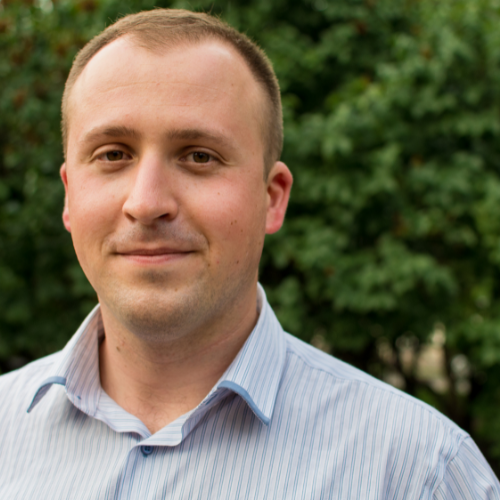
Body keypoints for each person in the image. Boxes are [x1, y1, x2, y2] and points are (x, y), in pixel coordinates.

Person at [0, 8, 499, 499]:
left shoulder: (418, 474)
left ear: (272, 198)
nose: (147, 203)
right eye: (112, 154)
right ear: (69, 195)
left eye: (199, 156)